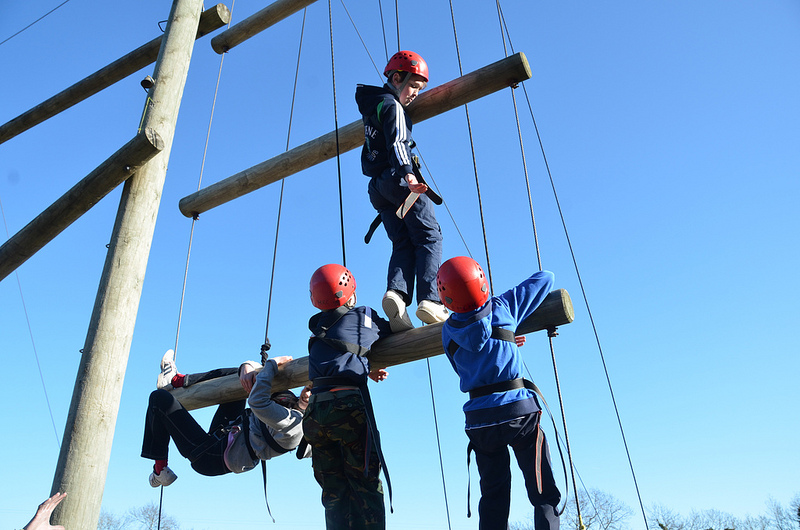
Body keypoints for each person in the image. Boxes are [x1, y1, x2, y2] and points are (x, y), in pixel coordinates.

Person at [437, 256, 561, 530]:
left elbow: (464, 370)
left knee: (493, 497)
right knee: (542, 490)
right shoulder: (502, 308)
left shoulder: (447, 333)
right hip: (518, 412)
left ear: (445, 297)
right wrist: (505, 338)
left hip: (480, 421)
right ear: (482, 282)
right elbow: (546, 277)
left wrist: (503, 344)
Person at [355, 50, 448, 330]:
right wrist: (408, 174)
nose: (416, 94)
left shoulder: (373, 106)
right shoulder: (393, 107)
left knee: (403, 242)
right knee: (429, 236)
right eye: (414, 87)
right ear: (397, 78)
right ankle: (431, 301)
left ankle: (396, 294)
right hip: (399, 182)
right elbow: (398, 143)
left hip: (377, 189)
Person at [302, 264, 395, 529]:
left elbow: (336, 362)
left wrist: (364, 368)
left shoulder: (316, 328)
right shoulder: (363, 315)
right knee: (365, 485)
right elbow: (393, 330)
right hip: (346, 408)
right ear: (351, 293)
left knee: (334, 493)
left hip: (315, 413)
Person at [142, 349, 310, 487]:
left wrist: (272, 363)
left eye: (313, 395)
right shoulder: (288, 399)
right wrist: (247, 366)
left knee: (159, 400)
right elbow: (259, 379)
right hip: (227, 433)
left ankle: (160, 471)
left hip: (210, 456)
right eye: (310, 388)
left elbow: (258, 401)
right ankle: (177, 380)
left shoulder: (295, 427)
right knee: (237, 378)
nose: (308, 394)